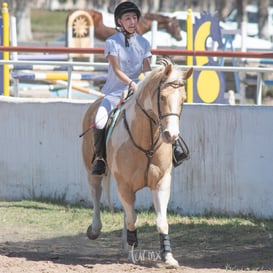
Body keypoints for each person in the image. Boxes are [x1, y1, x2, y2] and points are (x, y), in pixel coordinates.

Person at [91, 1, 187, 175]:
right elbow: (117, 70)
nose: (132, 21)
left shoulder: (143, 43)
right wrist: (132, 83)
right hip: (114, 93)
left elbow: (146, 70)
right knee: (99, 121)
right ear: (119, 21)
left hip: (138, 92)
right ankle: (101, 159)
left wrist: (151, 82)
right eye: (127, 18)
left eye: (134, 18)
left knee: (162, 113)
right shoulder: (111, 42)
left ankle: (175, 149)